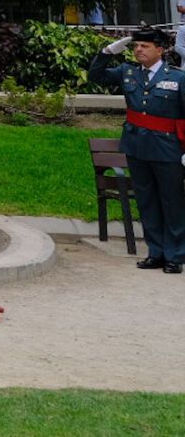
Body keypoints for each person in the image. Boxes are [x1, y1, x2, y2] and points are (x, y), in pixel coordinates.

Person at [88, 27, 185, 272]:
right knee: (147, 201)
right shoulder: (127, 72)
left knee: (172, 202)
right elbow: (95, 76)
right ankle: (156, 252)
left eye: (145, 46)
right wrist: (107, 51)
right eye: (136, 46)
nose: (139, 50)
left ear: (160, 50)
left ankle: (175, 255)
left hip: (167, 148)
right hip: (137, 147)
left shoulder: (177, 77)